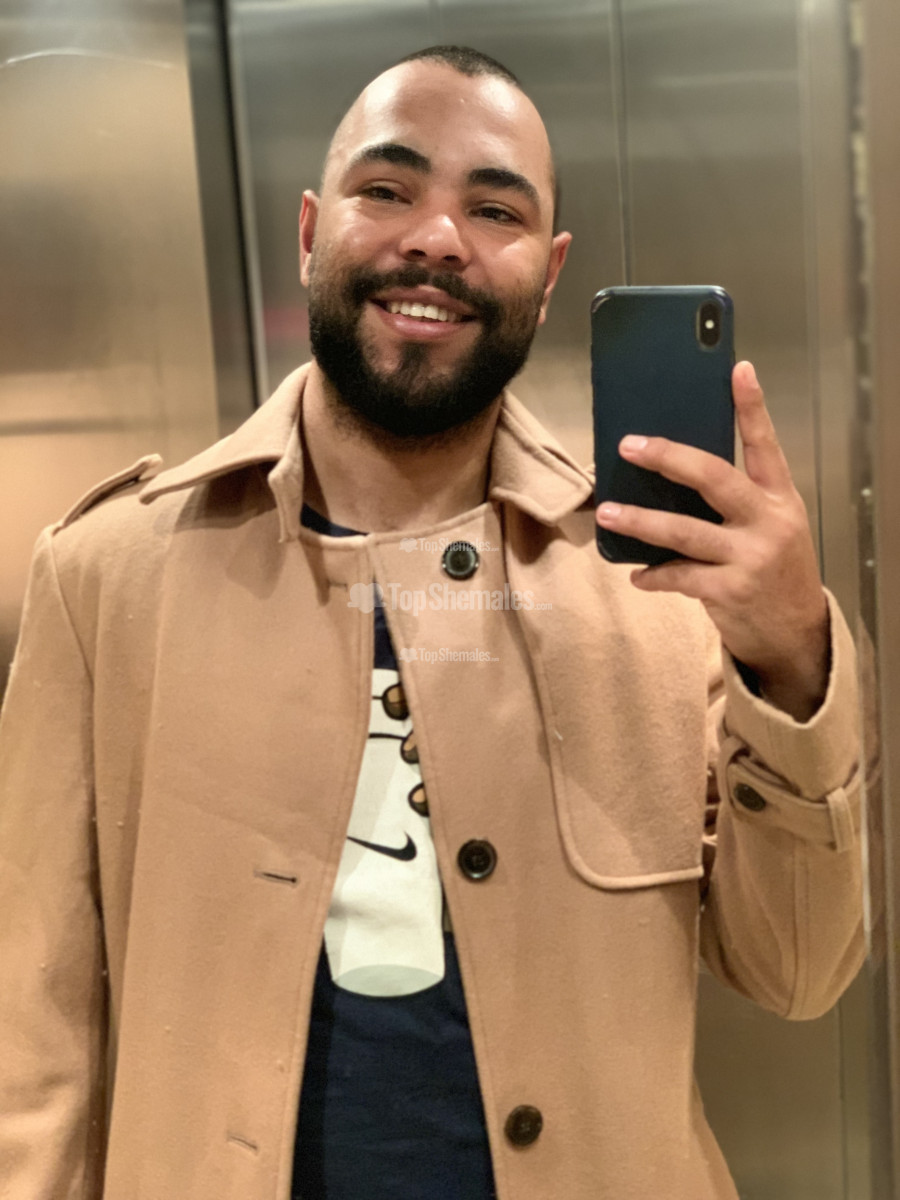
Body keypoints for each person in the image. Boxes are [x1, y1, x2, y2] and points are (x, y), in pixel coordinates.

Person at [0, 44, 864, 1200]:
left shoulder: (661, 586)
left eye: (494, 209)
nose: (439, 238)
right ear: (311, 230)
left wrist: (791, 656)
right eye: (388, 188)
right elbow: (30, 1042)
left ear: (549, 276)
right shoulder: (108, 581)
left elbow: (799, 970)